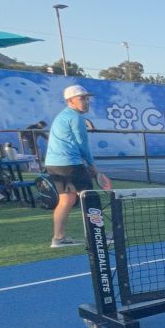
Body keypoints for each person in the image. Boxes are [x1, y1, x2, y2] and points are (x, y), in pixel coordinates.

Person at [44, 85, 99, 248]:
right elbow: (82, 144)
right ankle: (98, 236)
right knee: (90, 198)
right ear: (70, 101)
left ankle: (58, 238)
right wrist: (92, 165)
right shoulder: (75, 118)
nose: (87, 102)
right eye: (82, 98)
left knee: (66, 200)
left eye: (87, 98)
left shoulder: (63, 116)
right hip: (68, 163)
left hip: (54, 164)